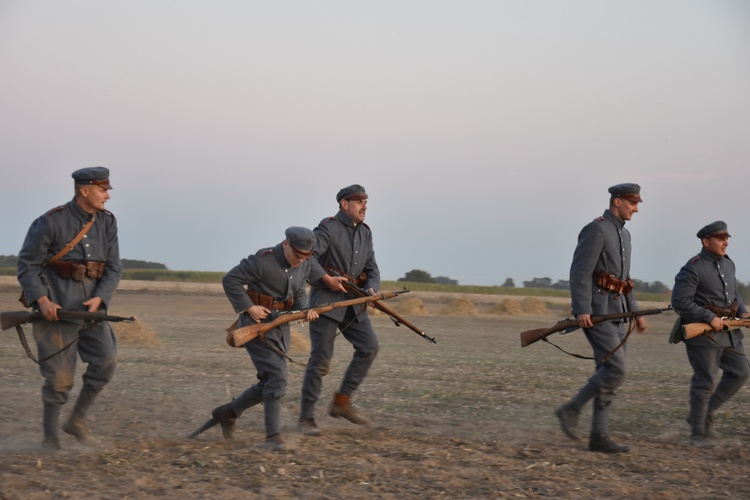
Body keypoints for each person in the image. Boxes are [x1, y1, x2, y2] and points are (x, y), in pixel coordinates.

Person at [17, 167, 122, 451]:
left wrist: (100, 297)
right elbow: (27, 265)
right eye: (103, 190)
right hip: (57, 309)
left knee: (107, 362)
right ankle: (50, 439)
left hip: (92, 310)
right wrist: (42, 300)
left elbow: (114, 267)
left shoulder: (107, 223)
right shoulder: (50, 221)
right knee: (60, 379)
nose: (108, 196)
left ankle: (76, 421)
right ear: (84, 190)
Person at [556, 183, 648, 453]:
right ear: (617, 201)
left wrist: (636, 312)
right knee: (616, 370)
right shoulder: (596, 229)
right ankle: (571, 409)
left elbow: (624, 280)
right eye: (633, 203)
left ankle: (598, 436)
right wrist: (581, 308)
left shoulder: (625, 235)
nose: (636, 208)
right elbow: (580, 271)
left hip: (619, 314)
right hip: (597, 312)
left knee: (608, 373)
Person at [209, 227, 319, 451]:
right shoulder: (261, 260)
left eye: (305, 256)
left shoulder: (305, 263)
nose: (300, 260)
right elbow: (230, 280)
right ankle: (272, 437)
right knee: (277, 377)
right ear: (286, 244)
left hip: (281, 328)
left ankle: (228, 413)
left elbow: (298, 293)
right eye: (297, 254)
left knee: (270, 381)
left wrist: (305, 311)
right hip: (254, 327)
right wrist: (249, 307)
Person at [298, 184, 380, 436]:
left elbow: (372, 267)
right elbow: (308, 257)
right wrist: (326, 279)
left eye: (366, 201)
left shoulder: (365, 232)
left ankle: (341, 402)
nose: (364, 206)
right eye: (359, 202)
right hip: (325, 303)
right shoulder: (328, 227)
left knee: (369, 348)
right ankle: (306, 418)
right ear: (344, 204)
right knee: (321, 361)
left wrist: (371, 288)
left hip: (353, 305)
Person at [671, 221, 749, 445]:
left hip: (729, 331)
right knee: (705, 380)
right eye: (720, 239)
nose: (726, 242)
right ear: (706, 242)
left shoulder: (728, 264)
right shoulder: (693, 267)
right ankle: (698, 433)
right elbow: (679, 301)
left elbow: (735, 294)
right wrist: (708, 318)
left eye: (727, 238)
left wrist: (743, 313)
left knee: (741, 372)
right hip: (703, 334)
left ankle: (702, 414)